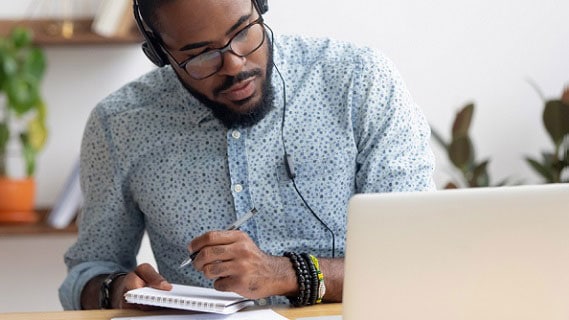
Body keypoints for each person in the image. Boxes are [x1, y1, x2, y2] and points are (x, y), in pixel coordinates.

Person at [59, 0, 436, 310]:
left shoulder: (359, 81)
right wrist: (117, 290)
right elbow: (87, 272)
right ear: (160, 55)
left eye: (242, 32)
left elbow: (419, 257)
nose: (235, 64)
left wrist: (286, 273)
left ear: (261, 7)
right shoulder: (119, 124)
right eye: (201, 55)